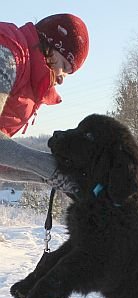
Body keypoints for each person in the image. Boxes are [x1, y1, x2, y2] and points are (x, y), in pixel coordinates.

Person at [0, 13, 89, 194]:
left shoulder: (27, 83)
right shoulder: (7, 56)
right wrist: (50, 169)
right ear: (49, 44)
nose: (62, 78)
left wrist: (51, 176)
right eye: (64, 65)